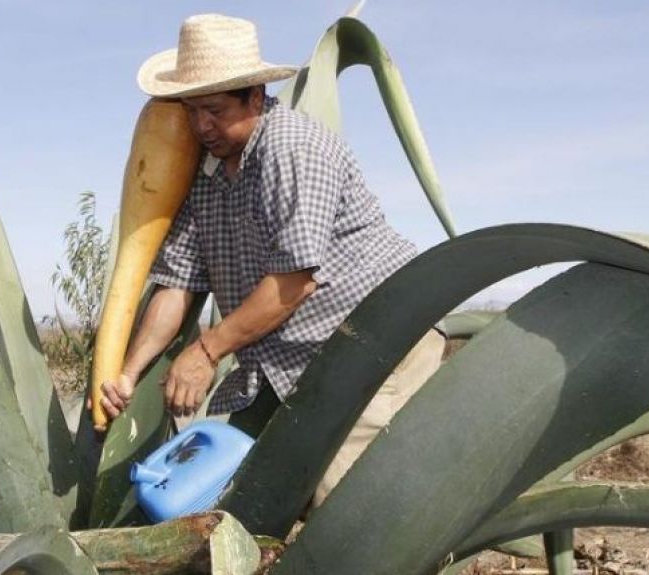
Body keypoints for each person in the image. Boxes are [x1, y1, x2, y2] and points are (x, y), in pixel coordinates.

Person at [99, 13, 445, 506]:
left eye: (215, 110)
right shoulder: (204, 173)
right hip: (288, 358)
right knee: (262, 498)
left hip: (370, 344)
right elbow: (178, 282)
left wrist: (205, 351)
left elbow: (294, 281)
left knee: (348, 509)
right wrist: (129, 373)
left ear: (256, 97)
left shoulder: (293, 148)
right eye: (192, 110)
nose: (201, 125)